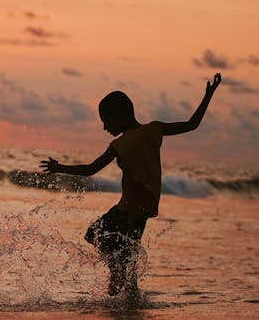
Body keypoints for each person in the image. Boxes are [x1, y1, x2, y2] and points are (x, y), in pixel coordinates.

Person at [40, 73, 222, 297]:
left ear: (121, 116)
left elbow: (91, 169)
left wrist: (60, 168)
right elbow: (192, 124)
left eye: (107, 120)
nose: (105, 126)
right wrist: (208, 95)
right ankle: (127, 294)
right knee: (120, 251)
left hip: (130, 210)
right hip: (139, 209)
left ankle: (122, 291)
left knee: (108, 245)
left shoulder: (120, 144)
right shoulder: (154, 129)